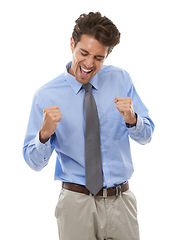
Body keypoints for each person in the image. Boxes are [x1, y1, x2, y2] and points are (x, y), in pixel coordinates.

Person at [23, 12, 154, 240]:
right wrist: (44, 135)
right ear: (72, 43)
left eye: (99, 58)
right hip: (76, 205)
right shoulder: (46, 96)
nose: (89, 64)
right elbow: (33, 162)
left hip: (121, 203)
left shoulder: (121, 80)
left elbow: (146, 136)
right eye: (84, 53)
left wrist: (132, 119)